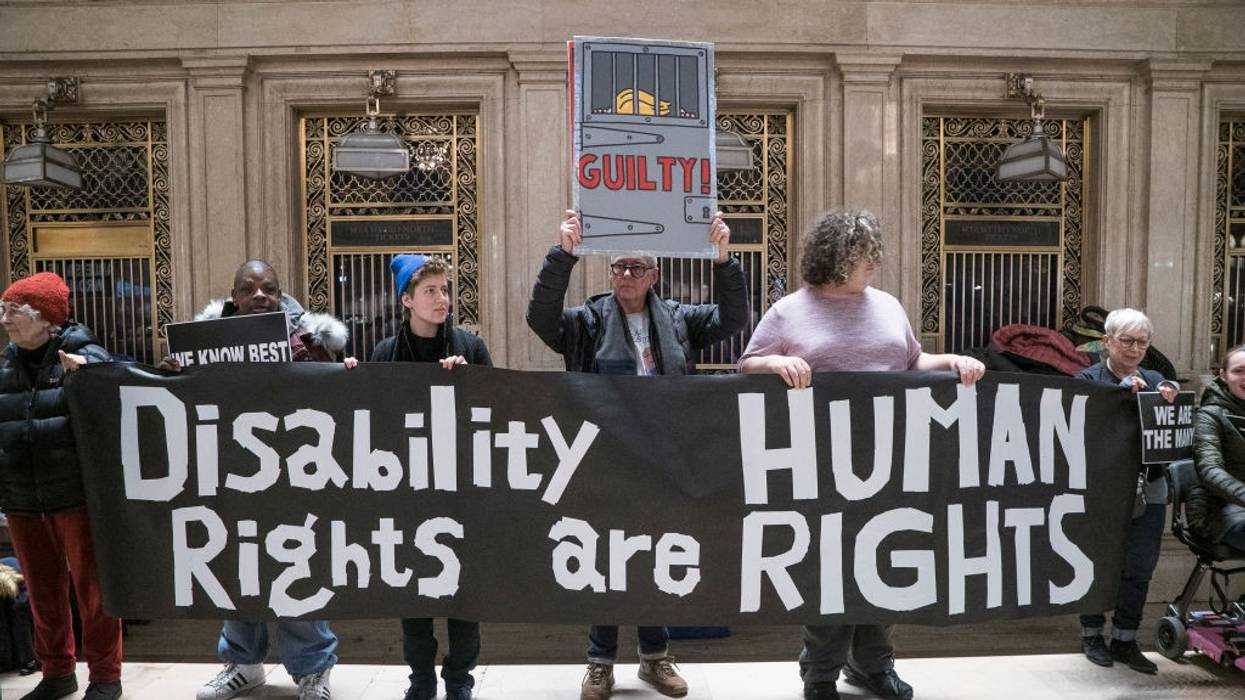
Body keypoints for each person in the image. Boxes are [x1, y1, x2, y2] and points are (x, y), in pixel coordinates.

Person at [738, 209, 985, 700]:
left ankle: (874, 664)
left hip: (892, 457)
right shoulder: (790, 310)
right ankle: (821, 671)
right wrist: (776, 360)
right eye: (863, 256)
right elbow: (746, 365)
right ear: (836, 259)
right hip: (820, 462)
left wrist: (952, 361)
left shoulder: (888, 305)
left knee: (888, 559)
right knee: (828, 566)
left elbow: (912, 360)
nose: (873, 264)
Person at [527, 209, 749, 699]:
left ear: (655, 275)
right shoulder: (587, 321)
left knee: (655, 557)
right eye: (618, 267)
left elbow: (735, 319)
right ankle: (600, 663)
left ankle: (655, 657)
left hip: (664, 459)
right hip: (604, 461)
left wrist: (724, 260)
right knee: (605, 559)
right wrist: (562, 255)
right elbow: (539, 318)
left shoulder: (679, 320)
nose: (625, 275)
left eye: (636, 268)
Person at [191, 260, 356, 700]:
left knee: (297, 570)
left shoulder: (308, 341)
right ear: (234, 297)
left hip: (294, 478)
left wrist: (334, 368)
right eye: (249, 289)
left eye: (269, 288)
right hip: (231, 477)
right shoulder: (204, 346)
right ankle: (243, 663)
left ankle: (313, 668)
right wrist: (175, 377)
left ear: (282, 297)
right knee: (236, 569)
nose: (260, 295)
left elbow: (332, 404)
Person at [370, 254, 490, 700]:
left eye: (444, 290)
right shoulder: (385, 353)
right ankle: (420, 680)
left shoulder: (470, 347)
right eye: (430, 292)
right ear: (407, 300)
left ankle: (459, 680)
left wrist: (469, 382)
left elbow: (495, 411)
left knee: (464, 591)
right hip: (408, 491)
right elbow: (373, 418)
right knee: (413, 591)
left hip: (460, 491)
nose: (442, 300)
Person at [0, 272, 122, 700]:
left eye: (14, 311)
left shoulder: (86, 355)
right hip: (22, 499)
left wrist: (92, 378)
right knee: (43, 596)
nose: (5, 320)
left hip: (78, 498)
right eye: (4, 310)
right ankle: (57, 673)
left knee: (94, 594)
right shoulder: (6, 364)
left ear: (45, 317)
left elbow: (125, 399)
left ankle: (105, 678)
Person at [1075, 308, 1178, 674]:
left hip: (1149, 486)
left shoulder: (1155, 377)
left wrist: (1171, 395)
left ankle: (1125, 638)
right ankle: (1091, 635)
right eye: (1127, 341)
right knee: (1097, 561)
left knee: (1140, 566)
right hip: (1102, 488)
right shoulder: (1087, 377)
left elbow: (1175, 417)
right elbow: (1080, 419)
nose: (1135, 349)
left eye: (1143, 342)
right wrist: (1117, 394)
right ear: (1106, 342)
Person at [1192, 345, 1245, 560]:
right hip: (1217, 511)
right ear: (1223, 376)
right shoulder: (1209, 415)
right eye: (1238, 371)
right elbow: (1209, 470)